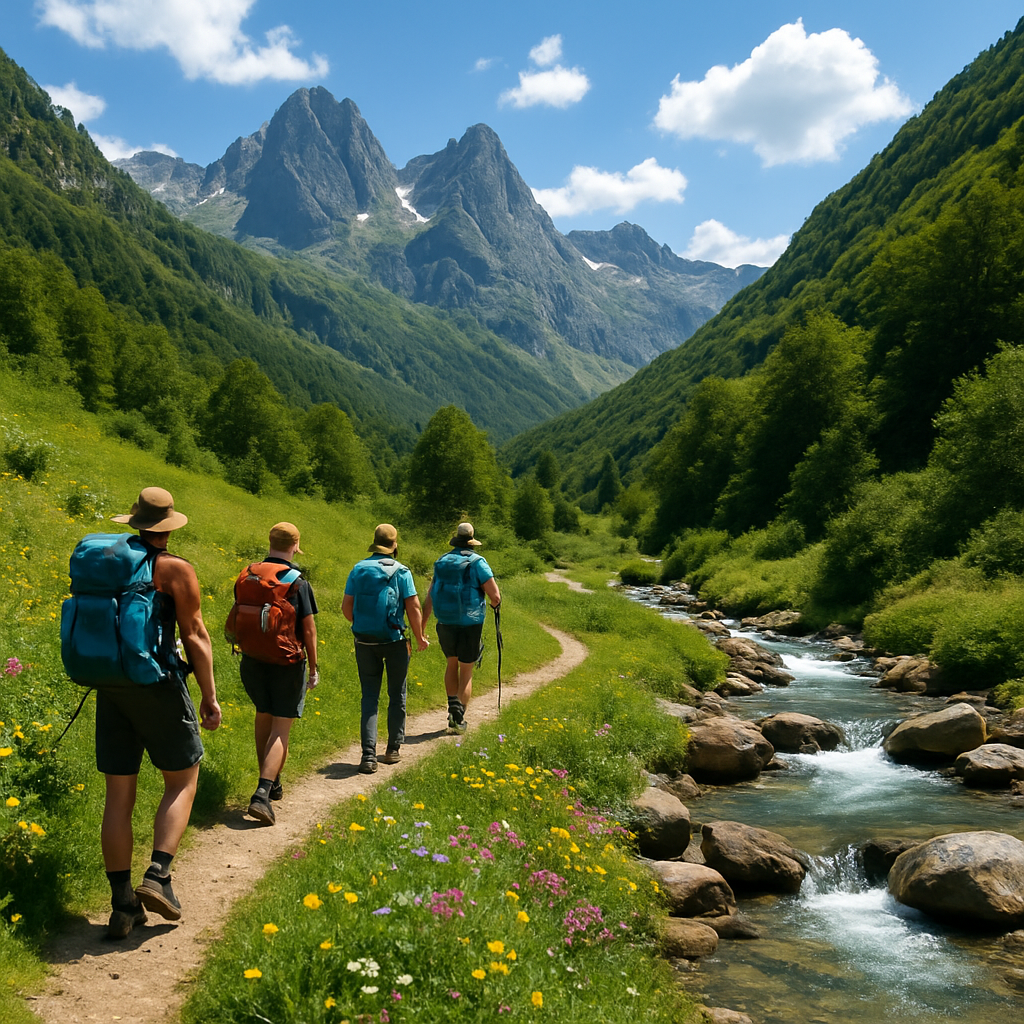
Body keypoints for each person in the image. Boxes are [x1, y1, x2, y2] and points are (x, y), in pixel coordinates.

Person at [100, 487, 221, 939]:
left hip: (109, 686)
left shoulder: (107, 561)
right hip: (155, 684)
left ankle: (122, 904)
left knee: (118, 795)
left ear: (134, 521)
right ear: (168, 526)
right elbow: (195, 635)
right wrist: (209, 697)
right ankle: (159, 875)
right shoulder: (173, 568)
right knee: (183, 778)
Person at [236, 523, 319, 826]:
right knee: (280, 728)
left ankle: (272, 783)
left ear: (270, 542)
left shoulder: (248, 574)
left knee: (263, 716)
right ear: (296, 546)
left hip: (252, 658)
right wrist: (313, 667)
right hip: (286, 661)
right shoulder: (297, 581)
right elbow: (308, 629)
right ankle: (261, 793)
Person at [342, 524, 429, 774]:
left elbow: (347, 607)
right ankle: (392, 750)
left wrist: (362, 625)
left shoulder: (358, 569)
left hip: (365, 642)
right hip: (394, 641)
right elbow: (413, 607)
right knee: (397, 694)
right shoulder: (402, 571)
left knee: (369, 697)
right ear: (394, 545)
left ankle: (368, 756)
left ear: (374, 542)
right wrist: (420, 636)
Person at [421, 522, 501, 735]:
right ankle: (457, 719)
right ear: (472, 540)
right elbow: (495, 596)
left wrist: (422, 625)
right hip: (469, 623)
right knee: (466, 671)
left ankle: (451, 707)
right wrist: (494, 606)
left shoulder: (442, 561)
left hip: (444, 621)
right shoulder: (477, 562)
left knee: (451, 664)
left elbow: (430, 596)